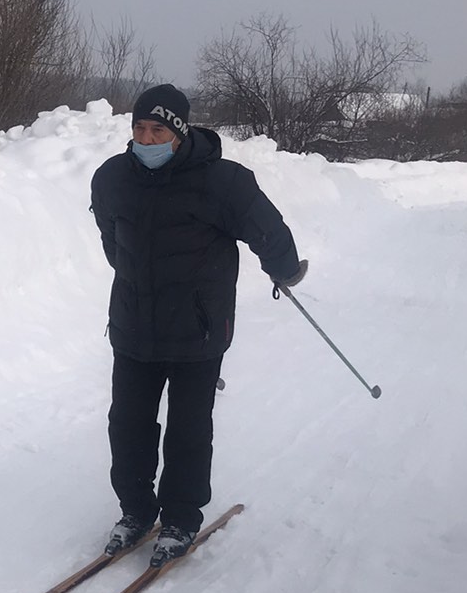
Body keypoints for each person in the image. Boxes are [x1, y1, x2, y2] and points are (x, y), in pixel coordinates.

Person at [90, 84, 306, 568]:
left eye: (158, 130)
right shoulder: (112, 178)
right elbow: (112, 242)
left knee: (188, 430)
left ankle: (182, 517)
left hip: (197, 331)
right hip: (132, 327)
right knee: (127, 425)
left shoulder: (221, 182)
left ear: (180, 134)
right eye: (140, 128)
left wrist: (286, 270)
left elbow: (266, 228)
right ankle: (136, 511)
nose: (146, 138)